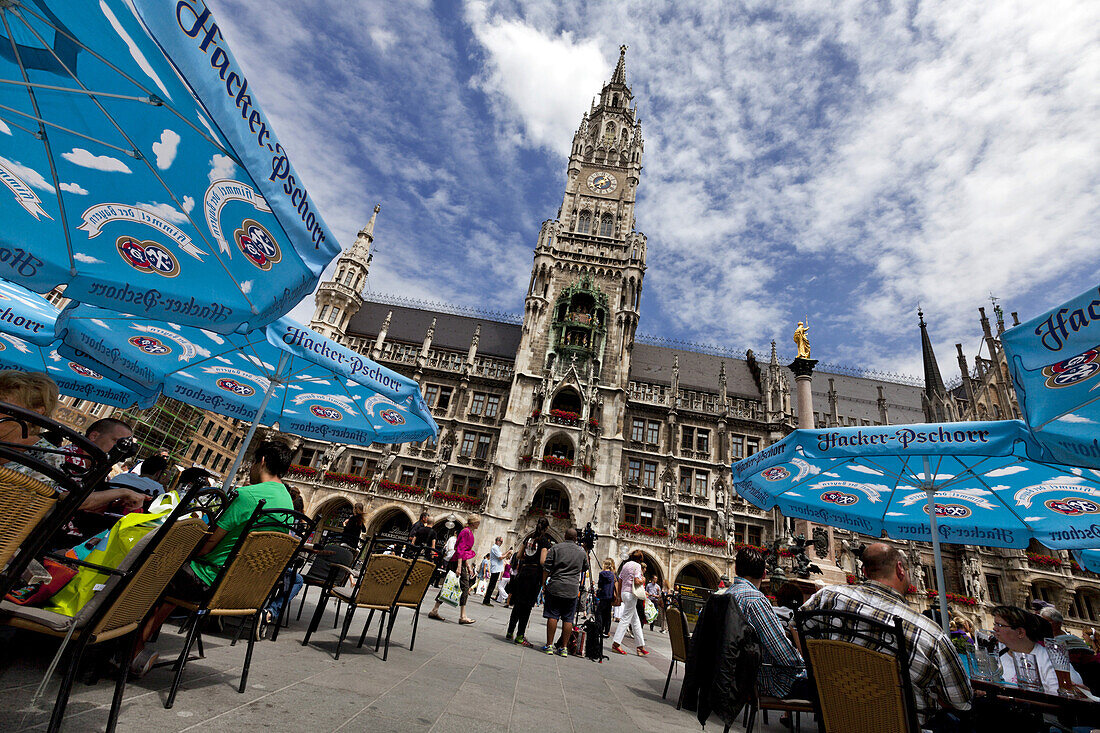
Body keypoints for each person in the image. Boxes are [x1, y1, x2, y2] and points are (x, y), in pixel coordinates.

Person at [134, 440, 296, 676]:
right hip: (243, 590)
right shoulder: (287, 502)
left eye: (252, 463)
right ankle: (136, 646)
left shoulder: (249, 495)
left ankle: (128, 647)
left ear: (261, 461)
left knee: (152, 563)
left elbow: (209, 542)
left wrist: (187, 552)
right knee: (176, 580)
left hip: (209, 580)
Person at [801, 542, 972, 730]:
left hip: (840, 718)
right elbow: (961, 700)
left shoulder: (826, 598)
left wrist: (819, 671)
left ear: (864, 572)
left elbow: (796, 627)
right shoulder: (928, 632)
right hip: (903, 725)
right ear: (900, 569)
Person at [726, 548, 809, 699]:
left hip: (730, 674)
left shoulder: (727, 594)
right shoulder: (755, 600)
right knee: (827, 688)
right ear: (764, 574)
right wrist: (808, 665)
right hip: (763, 681)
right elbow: (782, 652)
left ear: (736, 569)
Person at [993, 605, 1085, 694]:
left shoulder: (1049, 659)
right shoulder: (998, 655)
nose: (994, 628)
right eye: (995, 624)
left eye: (1000, 625)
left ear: (1020, 632)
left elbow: (1060, 697)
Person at [541, 527, 589, 657]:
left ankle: (549, 645)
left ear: (564, 535)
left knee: (553, 615)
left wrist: (543, 583)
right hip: (572, 589)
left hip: (556, 585)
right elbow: (586, 567)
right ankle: (563, 648)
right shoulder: (581, 551)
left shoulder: (556, 548)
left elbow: (547, 566)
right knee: (568, 618)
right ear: (576, 538)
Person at [506, 518, 551, 645]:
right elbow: (542, 561)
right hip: (534, 575)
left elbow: (519, 555)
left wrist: (529, 556)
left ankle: (510, 631)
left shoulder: (528, 538)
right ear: (546, 528)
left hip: (523, 573)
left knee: (518, 604)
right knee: (527, 607)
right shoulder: (544, 541)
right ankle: (520, 635)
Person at [428, 515, 480, 624]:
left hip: (458, 561)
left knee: (449, 585)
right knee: (465, 586)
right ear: (474, 522)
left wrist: (468, 565)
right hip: (456, 562)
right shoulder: (466, 531)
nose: (479, 524)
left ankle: (435, 610)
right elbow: (460, 549)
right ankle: (462, 616)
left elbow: (463, 550)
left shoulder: (469, 532)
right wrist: (460, 566)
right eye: (478, 522)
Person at [612, 549, 649, 656]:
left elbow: (620, 580)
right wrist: (643, 580)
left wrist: (619, 595)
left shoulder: (625, 565)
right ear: (640, 559)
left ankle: (640, 646)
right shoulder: (637, 566)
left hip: (624, 592)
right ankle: (616, 643)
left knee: (635, 620)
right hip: (631, 593)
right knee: (625, 619)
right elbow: (637, 581)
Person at [483, 536, 511, 605]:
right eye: (501, 542)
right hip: (496, 568)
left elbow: (501, 554)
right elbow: (501, 557)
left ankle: (487, 600)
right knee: (492, 584)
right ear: (497, 541)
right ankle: (486, 600)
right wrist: (508, 553)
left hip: (497, 568)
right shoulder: (495, 548)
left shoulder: (497, 548)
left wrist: (507, 551)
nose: (501, 543)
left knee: (492, 584)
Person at [596, 558, 617, 637]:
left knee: (599, 613)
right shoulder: (613, 575)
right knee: (607, 614)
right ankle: (606, 631)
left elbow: (600, 585)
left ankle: (599, 629)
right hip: (610, 596)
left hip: (603, 595)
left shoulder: (602, 574)